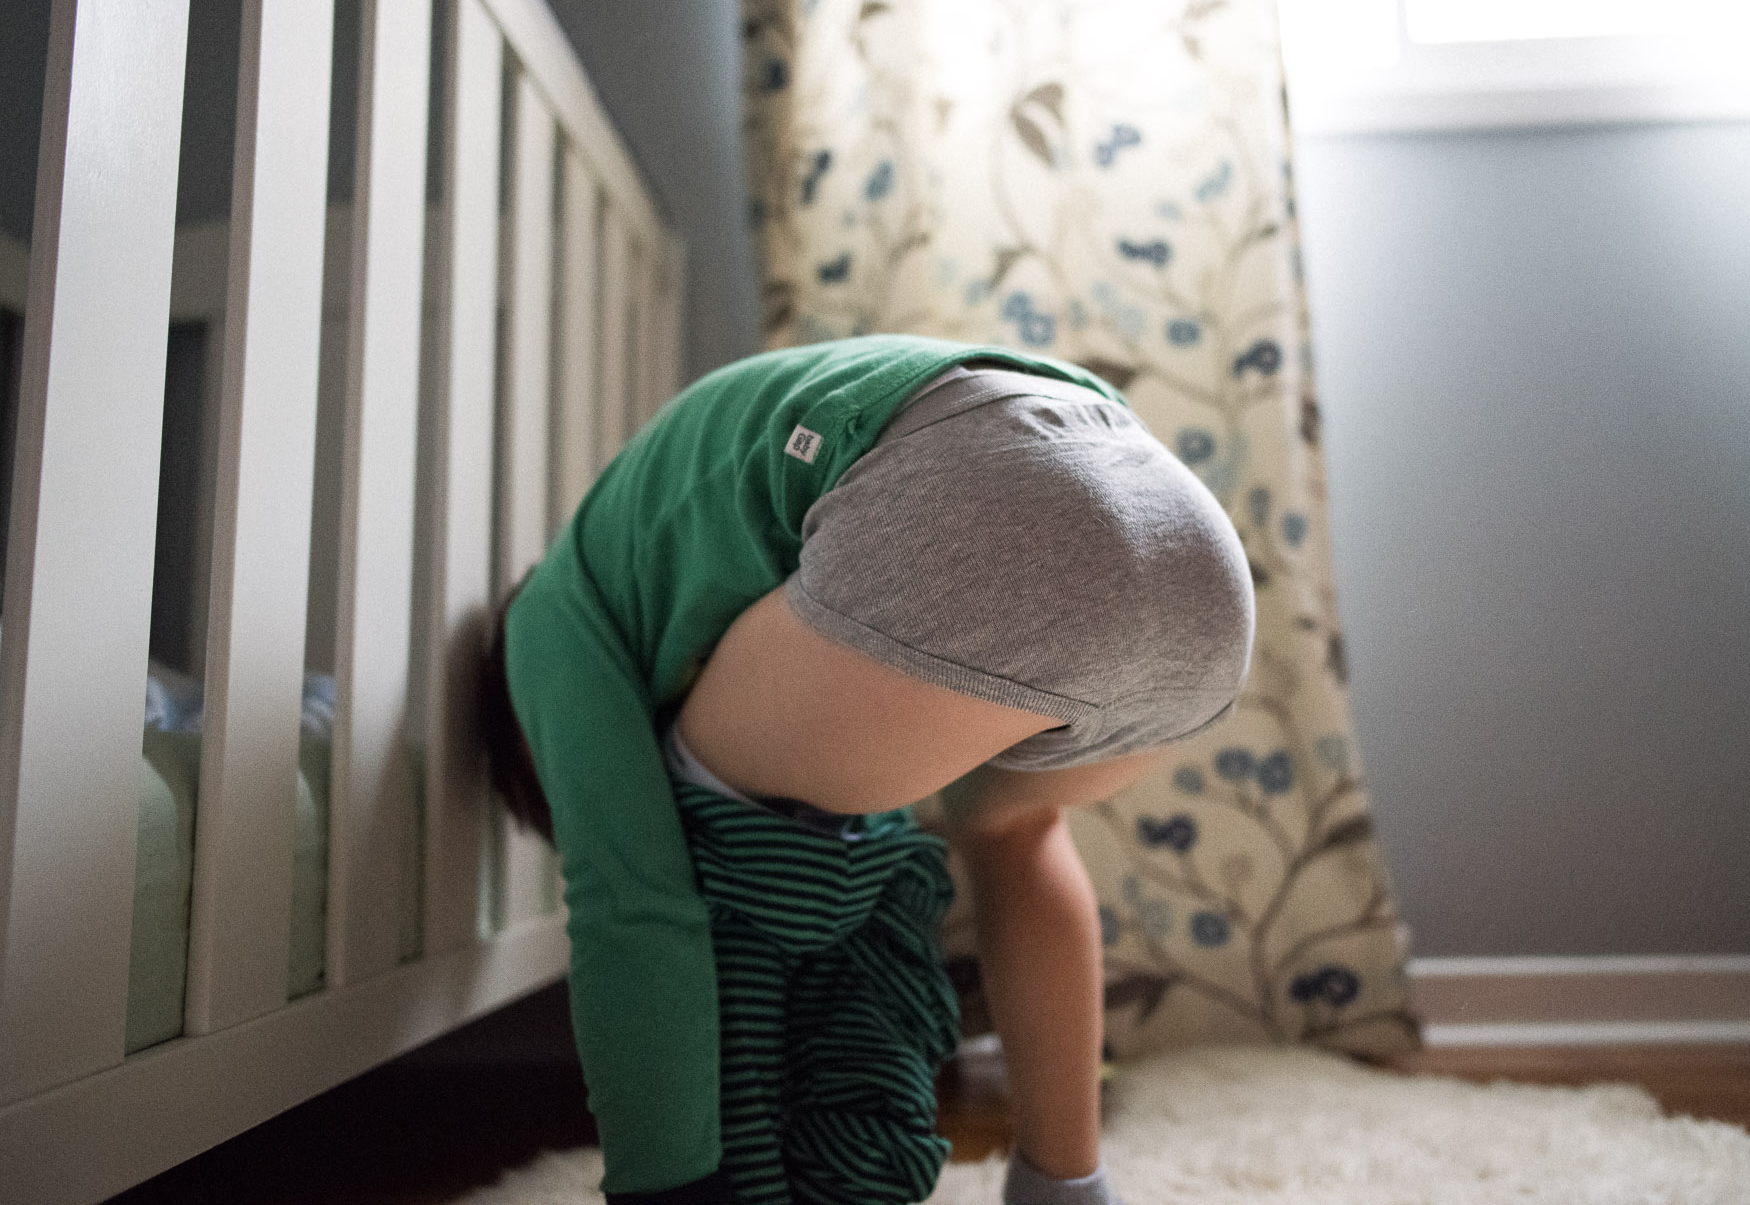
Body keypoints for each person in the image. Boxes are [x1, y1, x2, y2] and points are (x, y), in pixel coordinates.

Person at [485, 333, 1254, 1204]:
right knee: (1016, 823)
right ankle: (1067, 1187)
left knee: (684, 813)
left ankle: (721, 1184)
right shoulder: (669, 525)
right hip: (1196, 563)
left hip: (991, 497)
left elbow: (633, 900)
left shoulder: (549, 619)